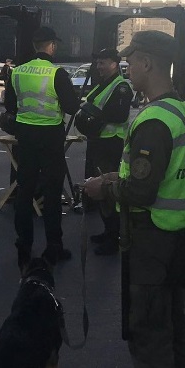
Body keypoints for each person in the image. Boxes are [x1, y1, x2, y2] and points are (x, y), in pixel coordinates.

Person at [82, 30, 185, 368]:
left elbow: (142, 192)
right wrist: (120, 178)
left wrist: (103, 189)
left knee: (149, 336)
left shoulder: (155, 120)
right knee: (174, 330)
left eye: (131, 60)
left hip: (151, 242)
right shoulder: (184, 114)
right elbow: (158, 177)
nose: (128, 67)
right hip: (179, 237)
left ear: (148, 63)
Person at [3, 26, 81, 266]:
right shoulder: (57, 74)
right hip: (50, 137)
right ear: (52, 46)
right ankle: (53, 247)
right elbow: (71, 107)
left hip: (25, 137)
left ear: (34, 46)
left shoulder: (17, 72)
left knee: (24, 191)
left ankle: (23, 244)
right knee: (51, 193)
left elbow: (10, 105)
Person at [79, 48, 134, 256]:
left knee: (107, 190)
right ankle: (107, 230)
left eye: (103, 62)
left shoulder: (121, 87)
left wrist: (94, 116)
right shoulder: (104, 84)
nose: (99, 66)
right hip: (98, 141)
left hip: (110, 143)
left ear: (114, 64)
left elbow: (119, 115)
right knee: (99, 189)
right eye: (98, 62)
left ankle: (113, 237)